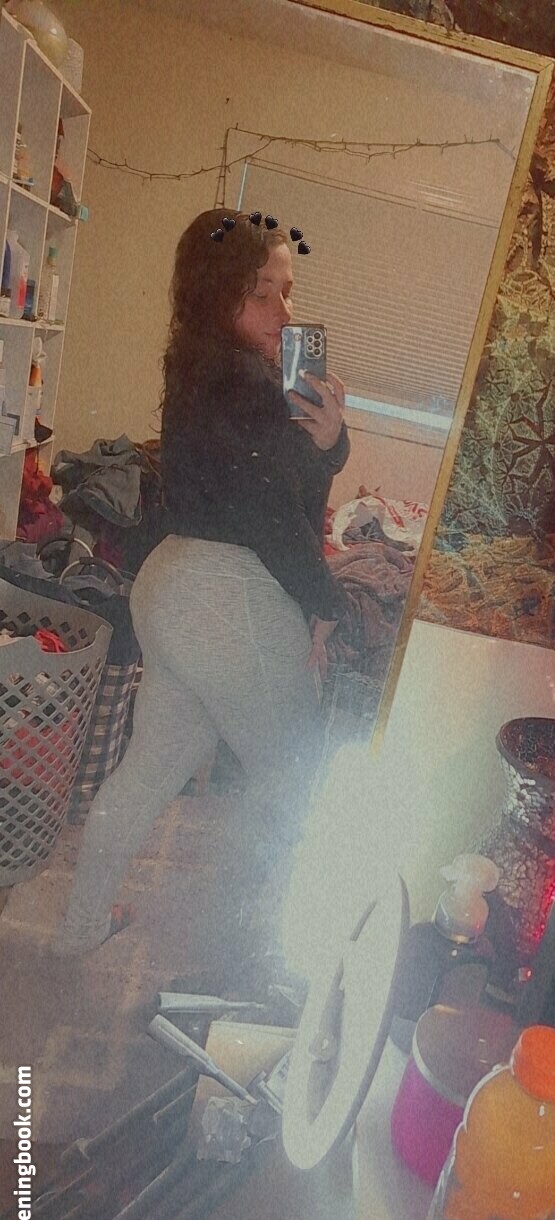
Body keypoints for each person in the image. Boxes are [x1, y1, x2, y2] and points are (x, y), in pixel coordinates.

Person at [53, 208, 350, 959]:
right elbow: (276, 513)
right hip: (226, 594)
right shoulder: (246, 384)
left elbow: (265, 492)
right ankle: (250, 958)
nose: (284, 313)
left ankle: (79, 930)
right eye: (262, 293)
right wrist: (327, 600)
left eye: (287, 291)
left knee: (148, 772)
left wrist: (325, 443)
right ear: (222, 296)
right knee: (294, 781)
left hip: (172, 586)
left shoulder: (198, 366)